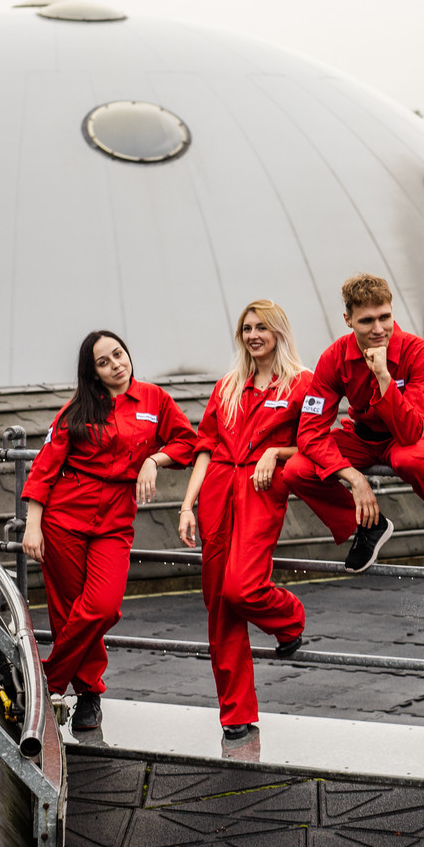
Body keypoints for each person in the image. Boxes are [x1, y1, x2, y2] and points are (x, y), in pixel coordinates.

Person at [22, 331, 196, 730]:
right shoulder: (76, 410)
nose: (116, 364)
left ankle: (45, 681)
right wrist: (33, 526)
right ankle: (89, 695)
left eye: (118, 354)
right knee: (70, 612)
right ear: (93, 373)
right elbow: (45, 467)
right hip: (63, 518)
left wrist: (154, 459)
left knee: (102, 607)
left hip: (114, 522)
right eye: (104, 362)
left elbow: (187, 442)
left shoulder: (155, 399)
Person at [177, 300, 312, 743]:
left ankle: (289, 619)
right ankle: (235, 712)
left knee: (243, 587)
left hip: (260, 489)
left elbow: (316, 444)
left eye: (262, 327)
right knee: (220, 604)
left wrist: (276, 452)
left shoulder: (302, 383)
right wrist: (188, 504)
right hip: (218, 489)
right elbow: (205, 447)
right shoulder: (228, 386)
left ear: (278, 332)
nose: (253, 335)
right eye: (247, 328)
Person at [282, 274, 424, 575]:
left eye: (385, 317)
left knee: (411, 458)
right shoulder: (333, 358)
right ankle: (370, 525)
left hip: (413, 432)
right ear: (348, 320)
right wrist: (354, 478)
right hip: (362, 438)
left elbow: (410, 432)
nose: (378, 329)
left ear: (392, 311)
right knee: (296, 469)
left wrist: (384, 376)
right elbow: (309, 432)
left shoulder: (418, 352)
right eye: (367, 321)